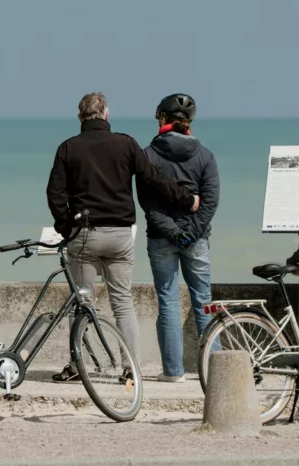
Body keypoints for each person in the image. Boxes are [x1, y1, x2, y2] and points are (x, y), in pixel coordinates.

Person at [46, 92, 199, 383]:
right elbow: (154, 180)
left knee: (82, 301)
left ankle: (79, 366)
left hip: (85, 234)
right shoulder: (126, 144)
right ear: (106, 115)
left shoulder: (68, 148)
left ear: (80, 118)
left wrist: (66, 228)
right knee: (122, 302)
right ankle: (131, 369)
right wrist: (187, 199)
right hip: (119, 235)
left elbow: (55, 194)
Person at [136, 93, 220, 383]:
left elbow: (148, 204)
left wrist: (174, 233)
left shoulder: (147, 155)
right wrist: (190, 234)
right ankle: (215, 370)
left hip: (161, 238)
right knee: (204, 301)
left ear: (162, 118)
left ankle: (173, 372)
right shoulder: (205, 155)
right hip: (196, 239)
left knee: (168, 301)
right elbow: (210, 202)